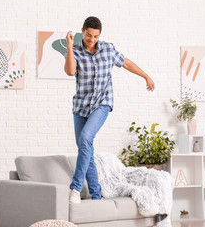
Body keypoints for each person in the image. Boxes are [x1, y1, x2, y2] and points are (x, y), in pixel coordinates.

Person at [64, 16, 155, 203]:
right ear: (83, 31)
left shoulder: (108, 49)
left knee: (86, 138)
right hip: (80, 107)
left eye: (96, 36)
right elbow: (70, 72)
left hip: (102, 104)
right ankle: (97, 196)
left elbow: (127, 63)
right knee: (85, 146)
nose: (92, 40)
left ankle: (75, 187)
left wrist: (146, 76)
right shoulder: (75, 51)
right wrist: (69, 47)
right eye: (89, 35)